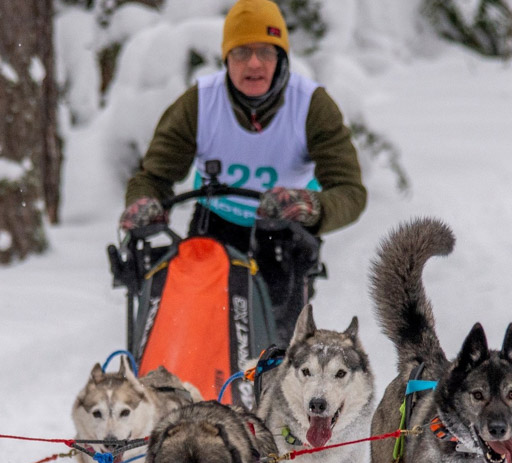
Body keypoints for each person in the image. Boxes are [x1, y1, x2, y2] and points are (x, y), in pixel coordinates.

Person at [120, 0, 367, 342]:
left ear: (282, 57)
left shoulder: (312, 106)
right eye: (241, 53)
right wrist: (144, 203)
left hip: (283, 234)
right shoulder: (199, 103)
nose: (254, 63)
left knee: (276, 345)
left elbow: (350, 191)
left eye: (266, 52)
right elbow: (154, 176)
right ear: (226, 59)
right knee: (199, 334)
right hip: (213, 229)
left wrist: (315, 208)